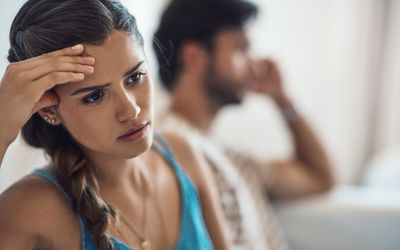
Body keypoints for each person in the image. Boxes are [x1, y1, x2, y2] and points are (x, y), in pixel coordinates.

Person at [0, 0, 230, 249]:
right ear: (48, 111)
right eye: (94, 96)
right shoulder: (31, 210)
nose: (131, 110)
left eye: (135, 77)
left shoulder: (183, 155)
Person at [153, 0, 335, 249]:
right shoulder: (167, 148)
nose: (253, 64)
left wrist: (284, 100)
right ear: (194, 57)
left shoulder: (231, 156)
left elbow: (320, 178)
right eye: (241, 49)